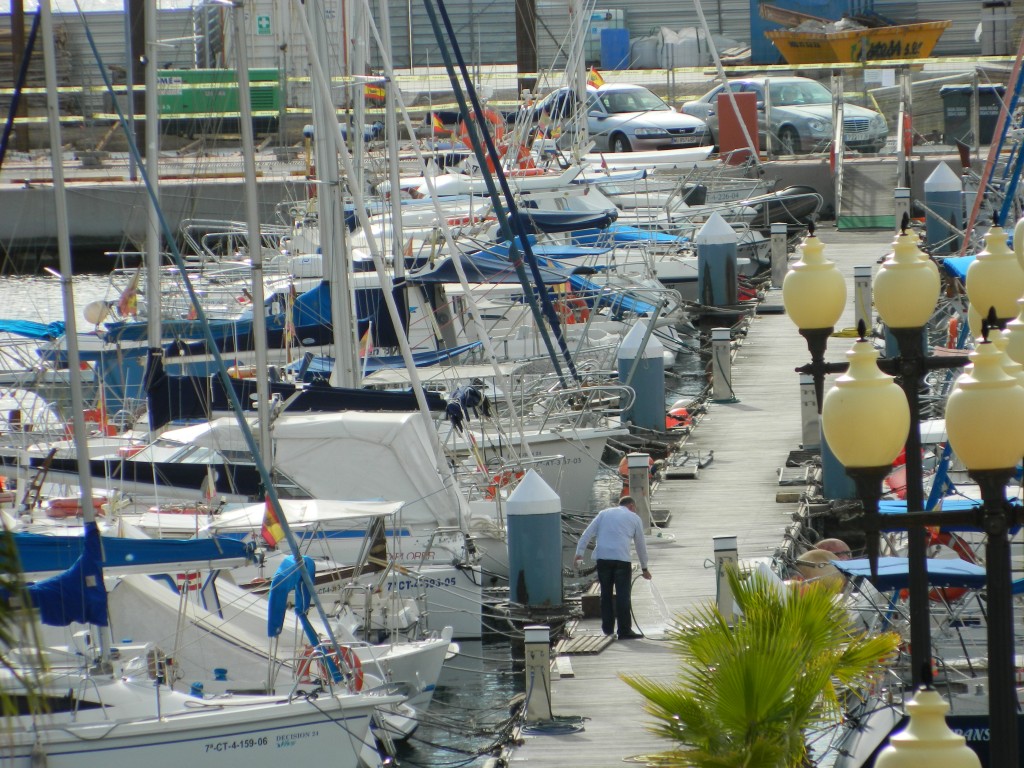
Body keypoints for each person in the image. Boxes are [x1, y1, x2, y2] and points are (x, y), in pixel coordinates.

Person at [574, 496, 652, 639]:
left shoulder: (603, 513)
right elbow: (641, 545)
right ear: (631, 506)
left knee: (606, 595)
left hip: (603, 558)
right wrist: (644, 568)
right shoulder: (634, 518)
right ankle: (624, 630)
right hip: (622, 559)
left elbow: (587, 533)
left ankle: (608, 629)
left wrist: (579, 553)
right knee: (623, 596)